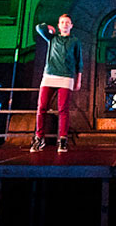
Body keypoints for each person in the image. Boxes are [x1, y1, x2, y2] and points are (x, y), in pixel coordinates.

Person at [31, 14, 82, 153]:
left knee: (63, 109)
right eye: (62, 22)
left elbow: (79, 62)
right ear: (59, 25)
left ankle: (63, 140)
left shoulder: (75, 41)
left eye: (67, 22)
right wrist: (47, 27)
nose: (65, 24)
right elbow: (38, 28)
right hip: (49, 75)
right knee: (41, 107)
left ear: (71, 25)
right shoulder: (52, 38)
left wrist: (78, 80)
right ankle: (39, 138)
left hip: (66, 77)